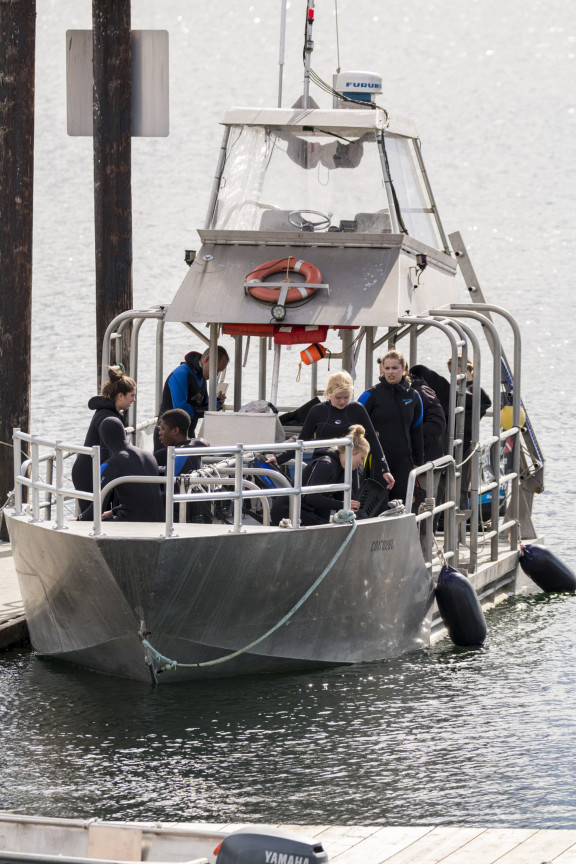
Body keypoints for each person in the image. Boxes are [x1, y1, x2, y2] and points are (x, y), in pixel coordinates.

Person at [268, 371, 394, 491]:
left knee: (351, 507)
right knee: (321, 507)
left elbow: (372, 439)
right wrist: (279, 458)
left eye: (346, 397)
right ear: (329, 393)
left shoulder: (357, 410)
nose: (342, 401)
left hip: (349, 468)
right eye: (338, 397)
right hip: (323, 468)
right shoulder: (317, 411)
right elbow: (302, 440)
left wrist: (385, 469)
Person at [271, 424, 370, 526]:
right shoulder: (326, 464)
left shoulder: (342, 468)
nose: (361, 463)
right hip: (288, 510)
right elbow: (311, 497)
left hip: (306, 510)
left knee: (329, 528)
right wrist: (344, 504)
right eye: (362, 458)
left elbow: (328, 499)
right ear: (353, 451)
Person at [358, 350, 424, 504]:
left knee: (401, 505)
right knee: (375, 505)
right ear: (382, 369)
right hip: (377, 461)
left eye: (394, 368)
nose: (390, 372)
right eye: (386, 368)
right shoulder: (370, 395)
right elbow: (355, 428)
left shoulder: (414, 396)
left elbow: (417, 430)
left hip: (404, 462)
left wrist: (417, 461)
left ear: (404, 369)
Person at [72, 365, 137, 514]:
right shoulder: (106, 417)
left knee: (101, 515)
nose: (134, 399)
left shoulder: (111, 411)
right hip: (89, 473)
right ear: (120, 396)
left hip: (95, 469)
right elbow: (106, 453)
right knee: (93, 516)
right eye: (132, 395)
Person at [78, 417, 164, 522]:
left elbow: (97, 508)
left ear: (103, 438)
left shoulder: (111, 464)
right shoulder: (149, 455)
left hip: (134, 525)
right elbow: (144, 500)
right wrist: (113, 511)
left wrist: (79, 519)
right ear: (123, 432)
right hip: (159, 521)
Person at [154, 346, 230, 448]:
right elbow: (182, 410)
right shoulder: (181, 373)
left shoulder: (201, 377)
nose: (216, 374)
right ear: (207, 359)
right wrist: (210, 409)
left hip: (186, 437)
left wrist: (217, 402)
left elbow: (205, 405)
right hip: (166, 438)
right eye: (216, 370)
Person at [154, 408, 211, 523]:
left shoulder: (170, 455)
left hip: (176, 517)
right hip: (198, 513)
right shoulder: (199, 446)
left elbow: (166, 494)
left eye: (163, 429)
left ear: (176, 430)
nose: (159, 433)